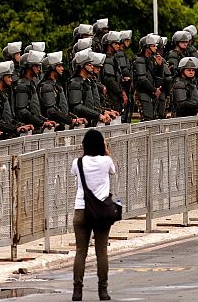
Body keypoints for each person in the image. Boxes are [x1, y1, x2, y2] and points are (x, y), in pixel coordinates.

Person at [71, 128, 116, 301]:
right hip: (102, 212)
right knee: (101, 252)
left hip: (81, 210)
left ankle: (77, 290)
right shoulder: (106, 162)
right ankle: (103, 290)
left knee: (80, 251)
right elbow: (113, 170)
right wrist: (106, 150)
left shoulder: (78, 163)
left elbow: (73, 173)